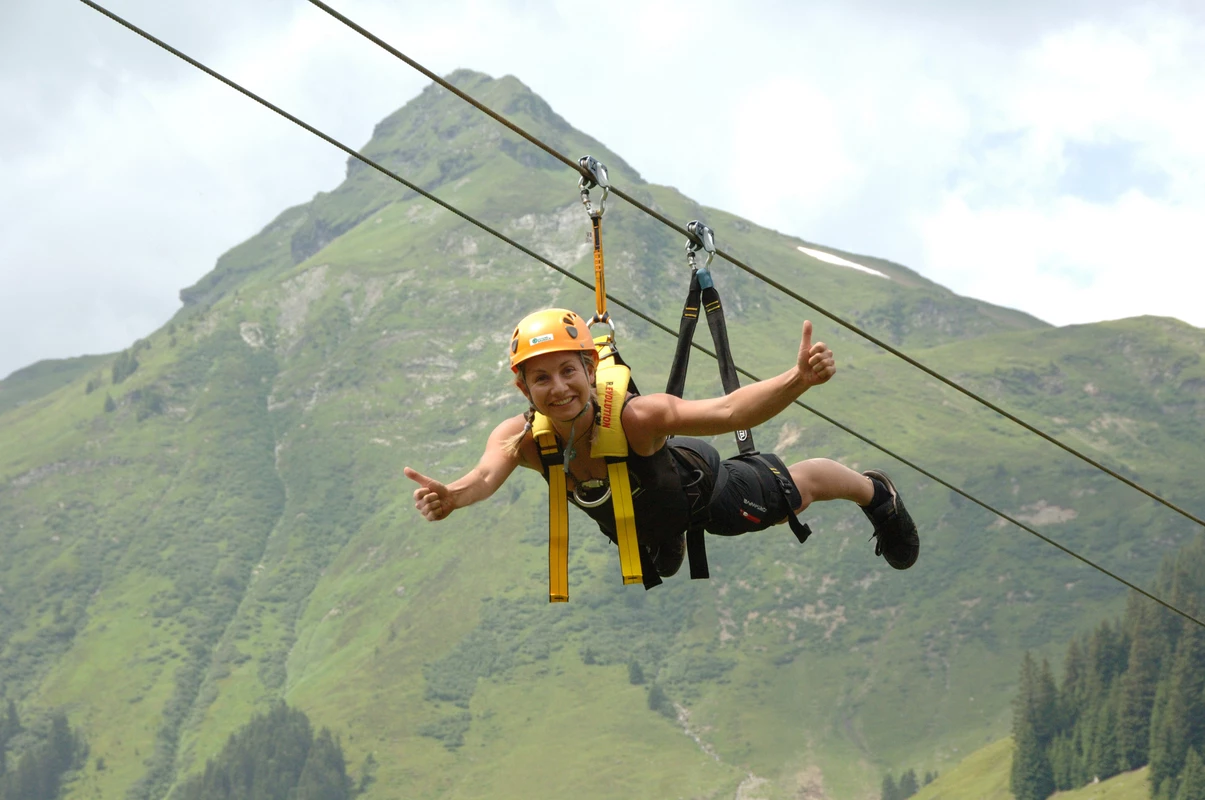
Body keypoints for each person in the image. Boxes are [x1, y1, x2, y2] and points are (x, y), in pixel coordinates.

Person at [404, 308, 918, 583]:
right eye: (541, 379)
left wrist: (797, 380)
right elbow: (484, 476)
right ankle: (665, 539)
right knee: (659, 554)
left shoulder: (637, 417)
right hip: (646, 517)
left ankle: (875, 493)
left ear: (590, 369)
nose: (558, 388)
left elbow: (730, 411)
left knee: (794, 495)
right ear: (524, 389)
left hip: (703, 490)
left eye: (568, 371)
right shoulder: (521, 439)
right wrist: (451, 496)